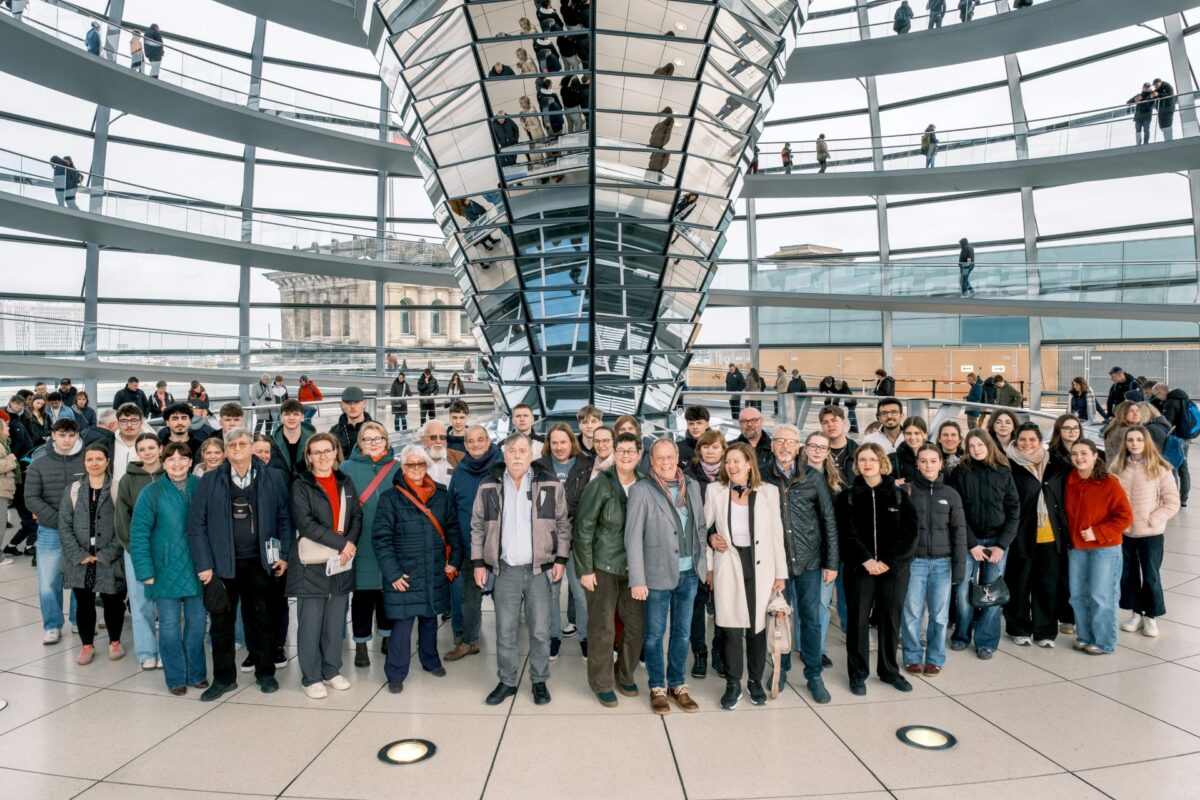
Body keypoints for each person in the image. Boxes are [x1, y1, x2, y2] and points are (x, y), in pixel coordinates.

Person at [187, 427, 293, 700]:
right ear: (224, 450)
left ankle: (265, 672)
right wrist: (204, 565)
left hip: (260, 562)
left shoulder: (272, 478)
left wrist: (282, 554)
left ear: (251, 447)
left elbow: (284, 518)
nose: (237, 448)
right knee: (221, 621)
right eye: (231, 444)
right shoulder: (209, 481)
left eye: (242, 444)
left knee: (261, 618)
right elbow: (196, 525)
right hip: (223, 565)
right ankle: (224, 678)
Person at [472, 433, 570, 706]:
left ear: (532, 455)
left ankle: (539, 680)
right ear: (504, 455)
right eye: (511, 450)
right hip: (505, 571)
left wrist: (560, 559)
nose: (516, 455)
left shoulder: (549, 484)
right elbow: (477, 526)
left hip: (540, 570)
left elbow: (563, 523)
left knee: (540, 630)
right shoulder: (489, 485)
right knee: (505, 630)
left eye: (522, 450)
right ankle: (507, 681)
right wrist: (479, 563)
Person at [702, 443, 788, 710]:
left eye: (737, 461)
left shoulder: (769, 493)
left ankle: (754, 681)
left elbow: (776, 534)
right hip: (728, 562)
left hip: (760, 566)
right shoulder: (715, 491)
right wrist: (709, 562)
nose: (732, 466)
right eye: (728, 462)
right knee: (729, 627)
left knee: (757, 628)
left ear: (750, 463)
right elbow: (704, 528)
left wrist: (780, 573)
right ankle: (733, 683)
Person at [627, 438, 707, 715]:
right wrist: (637, 579)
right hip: (656, 575)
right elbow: (633, 538)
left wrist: (703, 565)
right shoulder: (641, 490)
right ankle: (657, 687)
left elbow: (700, 527)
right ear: (651, 461)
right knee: (654, 635)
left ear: (677, 458)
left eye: (669, 457)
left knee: (682, 633)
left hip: (689, 574)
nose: (665, 462)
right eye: (659, 458)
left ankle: (677, 684)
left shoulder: (693, 487)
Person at [374, 443, 458, 694]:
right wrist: (393, 573)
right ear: (403, 467)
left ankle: (430, 660)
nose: (416, 469)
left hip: (433, 569)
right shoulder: (391, 498)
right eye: (411, 464)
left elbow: (452, 528)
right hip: (405, 573)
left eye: (420, 464)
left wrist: (453, 559)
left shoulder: (441, 495)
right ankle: (396, 672)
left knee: (429, 618)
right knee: (402, 623)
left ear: (427, 466)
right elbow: (381, 538)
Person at [836, 442, 919, 695]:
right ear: (856, 465)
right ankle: (858, 674)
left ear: (881, 462)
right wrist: (866, 560)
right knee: (858, 622)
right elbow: (845, 534)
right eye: (862, 460)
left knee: (890, 621)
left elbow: (910, 533)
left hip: (893, 570)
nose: (867, 464)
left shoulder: (898, 495)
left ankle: (889, 671)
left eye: (872, 459)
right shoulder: (847, 497)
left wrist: (888, 562)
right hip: (860, 569)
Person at [763, 426, 837, 703]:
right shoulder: (761, 475)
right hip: (776, 564)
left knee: (811, 619)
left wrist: (831, 562)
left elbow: (828, 521)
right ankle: (781, 670)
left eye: (790, 442)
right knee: (778, 618)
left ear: (798, 448)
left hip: (809, 562)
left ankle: (814, 674)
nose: (785, 446)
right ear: (772, 446)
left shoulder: (813, 478)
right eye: (780, 441)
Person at [287, 433, 362, 699]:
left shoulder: (345, 481)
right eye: (315, 452)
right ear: (308, 457)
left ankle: (331, 671)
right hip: (312, 565)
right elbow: (305, 523)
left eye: (326, 451)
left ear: (335, 453)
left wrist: (349, 543)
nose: (322, 456)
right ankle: (311, 677)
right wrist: (343, 544)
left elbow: (356, 516)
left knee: (334, 622)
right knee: (310, 624)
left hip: (340, 563)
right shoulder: (301, 485)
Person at [574, 431, 646, 706]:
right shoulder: (600, 484)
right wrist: (585, 569)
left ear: (640, 454)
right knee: (602, 627)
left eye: (631, 451)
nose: (626, 455)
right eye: (621, 450)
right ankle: (601, 682)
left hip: (634, 569)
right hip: (603, 566)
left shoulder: (645, 484)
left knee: (635, 626)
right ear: (614, 453)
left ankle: (625, 675)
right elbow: (584, 528)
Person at [129, 442, 207, 694]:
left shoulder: (201, 487)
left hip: (197, 566)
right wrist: (145, 571)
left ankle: (196, 674)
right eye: (171, 459)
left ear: (190, 462)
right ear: (163, 463)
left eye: (182, 459)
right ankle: (175, 678)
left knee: (197, 624)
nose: (177, 464)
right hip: (163, 570)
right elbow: (138, 534)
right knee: (170, 627)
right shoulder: (151, 493)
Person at [948, 429, 1020, 659]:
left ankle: (986, 641)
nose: (976, 449)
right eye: (972, 446)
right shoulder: (960, 472)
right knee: (962, 592)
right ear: (967, 449)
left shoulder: (1003, 472)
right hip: (969, 542)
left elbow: (1013, 511)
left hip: (997, 542)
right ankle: (961, 635)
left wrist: (1001, 545)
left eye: (980, 445)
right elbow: (955, 513)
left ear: (989, 446)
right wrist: (971, 544)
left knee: (992, 593)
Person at [901, 444, 967, 676]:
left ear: (940, 463)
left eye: (933, 460)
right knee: (912, 613)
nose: (928, 465)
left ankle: (935, 658)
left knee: (939, 615)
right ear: (917, 463)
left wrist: (959, 570)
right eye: (923, 460)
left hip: (943, 564)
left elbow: (959, 533)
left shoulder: (950, 495)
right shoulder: (907, 492)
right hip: (915, 563)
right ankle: (911, 656)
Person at [59, 444, 127, 665]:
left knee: (113, 601)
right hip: (80, 560)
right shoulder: (74, 489)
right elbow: (65, 525)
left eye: (99, 459)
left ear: (107, 461)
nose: (95, 463)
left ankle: (114, 641)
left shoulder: (117, 488)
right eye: (90, 459)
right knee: (84, 601)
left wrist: (107, 553)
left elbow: (124, 525)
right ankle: (86, 644)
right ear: (84, 463)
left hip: (108, 558)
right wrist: (78, 554)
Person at [1003, 424, 1068, 648]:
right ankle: (1018, 628)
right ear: (1016, 440)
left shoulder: (1055, 463)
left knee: (1047, 585)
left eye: (1032, 439)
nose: (1027, 444)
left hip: (1050, 535)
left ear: (1040, 441)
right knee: (1019, 583)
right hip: (1021, 534)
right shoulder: (1007, 464)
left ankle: (1045, 631)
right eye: (1022, 439)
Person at [1065, 439, 1133, 654]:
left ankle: (1104, 641)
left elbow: (1125, 517)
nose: (1079, 458)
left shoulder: (1109, 482)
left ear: (1095, 456)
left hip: (1104, 548)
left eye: (1084, 453)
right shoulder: (1070, 480)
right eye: (1075, 454)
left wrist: (1098, 532)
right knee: (1077, 595)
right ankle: (1084, 635)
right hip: (1077, 548)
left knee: (1101, 595)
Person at [340, 422, 399, 668]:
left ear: (385, 441)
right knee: (362, 596)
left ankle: (387, 637)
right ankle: (361, 644)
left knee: (388, 593)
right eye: (368, 439)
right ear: (360, 443)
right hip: (360, 541)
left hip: (390, 540)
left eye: (378, 439)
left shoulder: (396, 468)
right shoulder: (347, 468)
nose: (373, 443)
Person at [1113, 426, 1180, 638]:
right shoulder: (1117, 467)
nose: (1134, 444)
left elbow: (1172, 502)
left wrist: (1154, 519)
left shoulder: (1160, 467)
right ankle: (1136, 612)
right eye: (1130, 440)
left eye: (1139, 440)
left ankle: (1151, 616)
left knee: (1151, 576)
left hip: (1151, 533)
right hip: (1125, 534)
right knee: (1129, 575)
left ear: (1146, 442)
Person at [444, 425, 503, 662]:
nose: (476, 444)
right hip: (471, 548)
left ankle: (506, 644)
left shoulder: (503, 468)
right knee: (469, 598)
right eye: (471, 441)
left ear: (489, 441)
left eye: (481, 439)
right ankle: (469, 641)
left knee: (504, 599)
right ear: (465, 445)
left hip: (501, 549)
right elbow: (452, 509)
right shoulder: (460, 472)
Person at [536, 424, 594, 659]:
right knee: (551, 591)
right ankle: (553, 636)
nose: (559, 447)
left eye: (564, 442)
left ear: (572, 442)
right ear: (549, 444)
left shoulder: (586, 465)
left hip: (577, 538)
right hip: (549, 540)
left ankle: (585, 636)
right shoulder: (538, 467)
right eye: (555, 442)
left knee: (580, 592)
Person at [27, 419, 85, 643]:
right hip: (50, 531)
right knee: (48, 580)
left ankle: (79, 620)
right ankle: (52, 625)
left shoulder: (86, 459)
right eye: (62, 435)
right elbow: (31, 497)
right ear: (53, 436)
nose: (67, 440)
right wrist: (59, 521)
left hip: (80, 530)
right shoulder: (39, 463)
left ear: (77, 436)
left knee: (80, 578)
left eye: (71, 435)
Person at [114, 433, 164, 670]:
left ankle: (167, 649)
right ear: (137, 453)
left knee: (167, 602)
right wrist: (133, 548)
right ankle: (146, 652)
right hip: (138, 549)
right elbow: (122, 517)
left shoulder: (172, 474)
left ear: (160, 448)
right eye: (142, 449)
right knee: (140, 600)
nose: (147, 452)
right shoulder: (128, 480)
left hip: (167, 550)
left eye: (151, 447)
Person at [683, 429, 727, 679]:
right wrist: (708, 535)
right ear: (699, 450)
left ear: (723, 449)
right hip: (697, 549)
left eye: (715, 447)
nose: (710, 451)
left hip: (725, 550)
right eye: (706, 447)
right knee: (697, 606)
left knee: (722, 605)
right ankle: (699, 652)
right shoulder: (688, 476)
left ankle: (719, 651)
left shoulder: (730, 473)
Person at [331, 386, 373, 459]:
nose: (352, 406)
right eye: (348, 402)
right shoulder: (334, 431)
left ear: (364, 404)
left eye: (356, 402)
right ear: (342, 405)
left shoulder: (376, 429)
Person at [647, 107, 675, 173]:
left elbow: (653, 133)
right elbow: (653, 133)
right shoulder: (660, 125)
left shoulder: (662, 126)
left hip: (657, 145)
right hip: (657, 144)